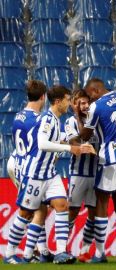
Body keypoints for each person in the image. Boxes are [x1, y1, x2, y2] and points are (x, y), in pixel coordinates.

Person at [11, 85, 94, 264]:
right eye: (67, 99)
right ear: (58, 102)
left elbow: (54, 138)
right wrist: (71, 148)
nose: (69, 103)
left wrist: (77, 144)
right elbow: (42, 143)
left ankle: (60, 252)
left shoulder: (55, 119)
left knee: (62, 205)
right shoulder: (47, 119)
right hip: (35, 172)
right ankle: (11, 253)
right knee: (26, 213)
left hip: (49, 173)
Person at [77, 78, 116, 263]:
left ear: (95, 91)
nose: (89, 100)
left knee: (102, 203)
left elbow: (86, 135)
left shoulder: (97, 107)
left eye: (89, 95)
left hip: (109, 158)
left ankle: (100, 253)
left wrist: (81, 121)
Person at [4, 81, 54, 264]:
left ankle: (39, 251)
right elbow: (40, 147)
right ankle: (11, 254)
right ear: (43, 97)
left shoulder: (19, 116)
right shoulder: (39, 120)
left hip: (16, 161)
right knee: (28, 211)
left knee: (39, 209)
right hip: (28, 168)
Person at [64, 90, 98, 262]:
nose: (85, 106)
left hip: (96, 174)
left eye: (87, 103)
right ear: (75, 105)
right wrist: (86, 145)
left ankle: (85, 250)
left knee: (93, 212)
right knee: (73, 211)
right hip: (78, 174)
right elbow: (74, 144)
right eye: (81, 103)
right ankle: (63, 248)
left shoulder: (96, 121)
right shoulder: (70, 122)